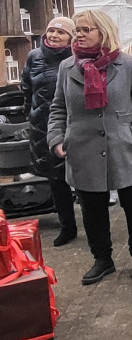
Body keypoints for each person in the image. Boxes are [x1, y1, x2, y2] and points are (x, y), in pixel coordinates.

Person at [48, 9, 132, 285]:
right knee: (92, 207)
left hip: (125, 146)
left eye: (87, 30)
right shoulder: (67, 67)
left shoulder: (129, 65)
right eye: (78, 30)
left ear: (103, 32)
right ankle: (102, 259)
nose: (80, 35)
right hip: (83, 148)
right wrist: (57, 139)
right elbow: (58, 108)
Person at [22, 16, 77, 246]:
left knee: (81, 175)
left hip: (73, 124)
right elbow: (27, 87)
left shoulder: (77, 58)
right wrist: (31, 113)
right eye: (51, 31)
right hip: (43, 125)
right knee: (56, 179)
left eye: (61, 32)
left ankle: (96, 221)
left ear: (70, 38)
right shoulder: (34, 57)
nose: (54, 35)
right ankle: (67, 226)